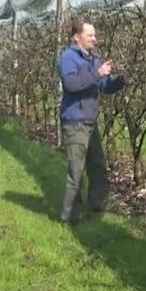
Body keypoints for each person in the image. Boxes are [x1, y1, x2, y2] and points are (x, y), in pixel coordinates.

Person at [57, 17, 125, 225]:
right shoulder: (68, 58)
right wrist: (97, 73)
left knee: (97, 165)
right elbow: (71, 84)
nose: (95, 38)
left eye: (95, 35)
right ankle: (70, 216)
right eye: (90, 35)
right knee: (76, 170)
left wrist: (120, 82)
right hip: (74, 121)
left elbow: (104, 86)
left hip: (90, 122)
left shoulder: (94, 59)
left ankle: (97, 204)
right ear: (77, 37)